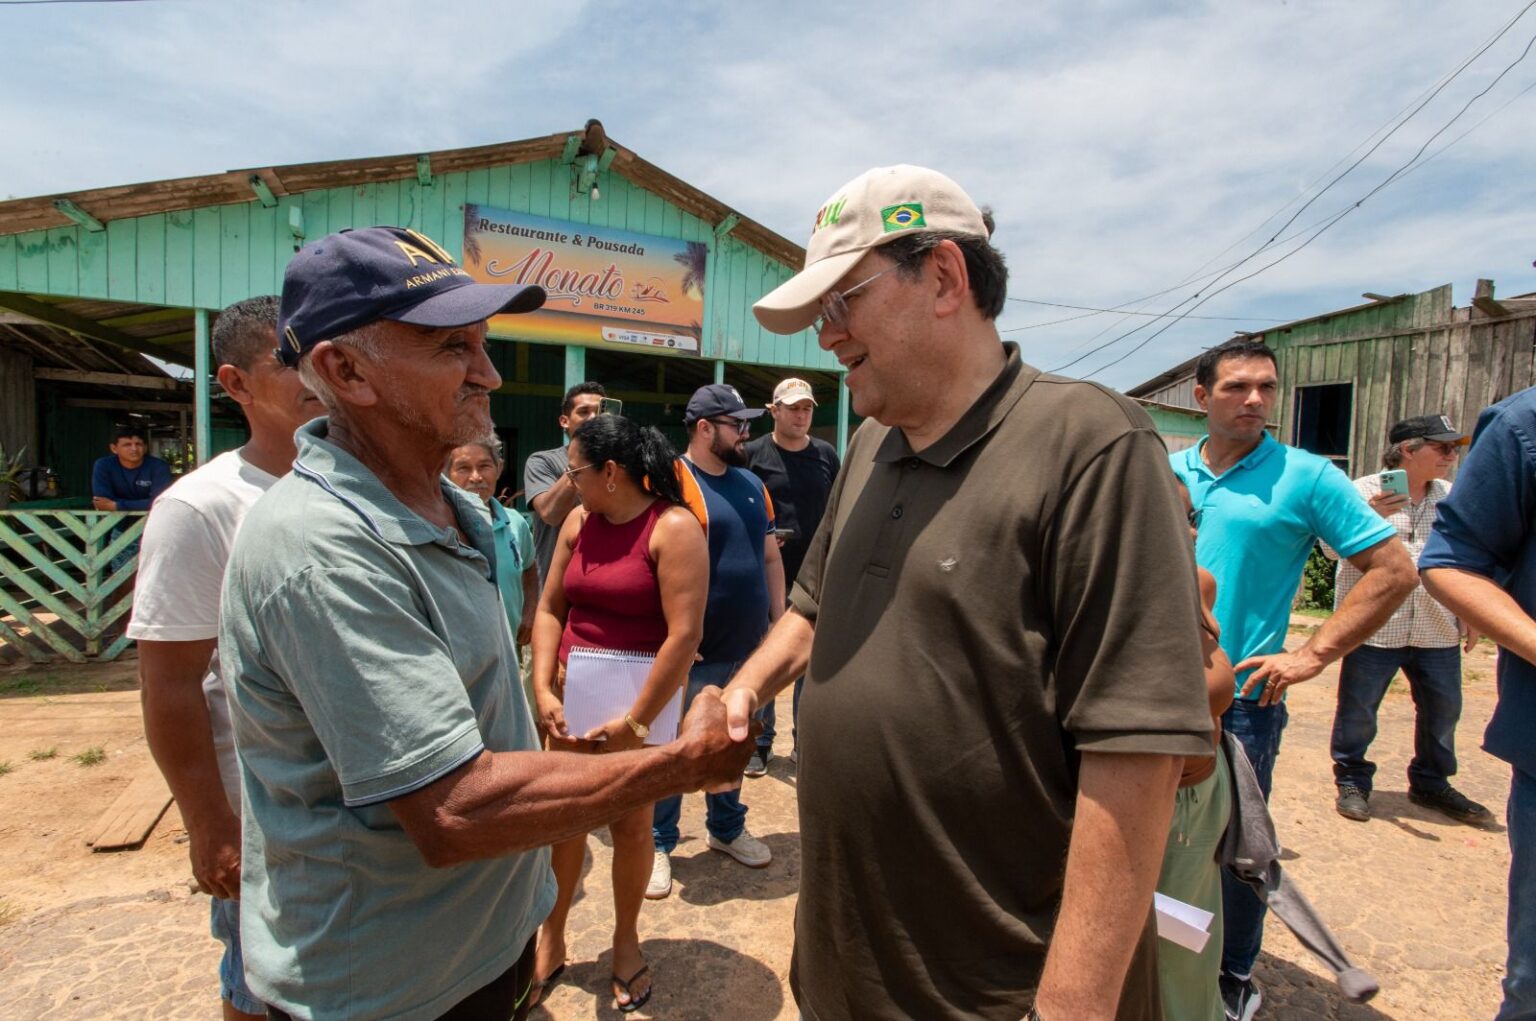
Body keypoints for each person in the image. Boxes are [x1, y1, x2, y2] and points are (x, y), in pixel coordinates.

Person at [220, 226, 753, 1021]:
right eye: (452, 349)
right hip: (388, 985)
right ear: (345, 370)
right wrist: (682, 761)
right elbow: (454, 808)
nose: (491, 373)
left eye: (483, 343)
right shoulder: (324, 547)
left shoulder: (452, 512)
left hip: (477, 948)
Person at [726, 164, 1215, 1020]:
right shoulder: (873, 444)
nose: (824, 336)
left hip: (994, 987)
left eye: (842, 302)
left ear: (946, 278)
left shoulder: (1092, 446)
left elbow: (1136, 752)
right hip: (851, 964)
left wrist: (1069, 1008)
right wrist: (743, 688)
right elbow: (810, 608)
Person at [1169, 338, 1417, 1019]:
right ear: (1201, 396)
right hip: (1157, 695)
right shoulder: (1167, 471)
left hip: (1243, 702)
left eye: (1267, 388)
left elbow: (1395, 571)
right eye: (1237, 387)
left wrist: (1311, 654)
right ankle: (1171, 966)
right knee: (1165, 846)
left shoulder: (1305, 477)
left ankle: (1232, 976)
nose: (1255, 400)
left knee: (1239, 852)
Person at [128, 295, 324, 1021]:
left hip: (349, 812)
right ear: (236, 383)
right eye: (287, 359)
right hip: (262, 814)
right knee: (259, 982)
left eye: (318, 353)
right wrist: (209, 826)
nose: (311, 373)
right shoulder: (202, 507)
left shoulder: (357, 490)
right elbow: (171, 683)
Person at [529, 413, 709, 1013]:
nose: (569, 482)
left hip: (642, 705)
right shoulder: (579, 522)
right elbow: (551, 606)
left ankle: (625, 942)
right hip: (573, 701)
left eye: (575, 470)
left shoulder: (673, 527)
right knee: (565, 822)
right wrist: (542, 688)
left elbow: (684, 637)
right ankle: (550, 937)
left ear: (611, 473)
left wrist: (635, 724)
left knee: (631, 826)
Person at [1420, 386, 1536, 1021]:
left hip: (1434, 638)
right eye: (1437, 448)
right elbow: (1453, 563)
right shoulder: (1525, 427)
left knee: (1440, 723)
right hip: (1395, 638)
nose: (1444, 457)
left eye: (1447, 449)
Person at [647, 382, 784, 899]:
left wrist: (776, 624)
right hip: (694, 650)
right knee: (678, 747)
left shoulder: (751, 482)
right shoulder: (671, 481)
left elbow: (770, 556)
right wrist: (675, 636)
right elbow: (653, 561)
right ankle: (660, 842)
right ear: (705, 428)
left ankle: (726, 829)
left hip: (747, 646)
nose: (747, 433)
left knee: (733, 742)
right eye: (737, 425)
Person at [1325, 414, 1489, 825]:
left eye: (1454, 448)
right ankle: (1353, 781)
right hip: (1376, 625)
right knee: (1358, 710)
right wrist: (1368, 516)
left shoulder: (1451, 495)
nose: (1452, 455)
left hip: (1435, 625)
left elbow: (1466, 556)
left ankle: (1431, 783)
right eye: (1442, 447)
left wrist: (1472, 612)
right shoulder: (1361, 491)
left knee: (1443, 710)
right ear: (1408, 450)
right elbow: (1329, 549)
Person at [1158, 477, 1237, 1021]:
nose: (1185, 531)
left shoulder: (1193, 582)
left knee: (1176, 944)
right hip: (1146, 783)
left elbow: (1215, 690)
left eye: (1190, 519)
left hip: (1184, 791)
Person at [742, 376, 840, 774]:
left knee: (808, 662)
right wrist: (758, 538)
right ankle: (759, 742)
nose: (801, 415)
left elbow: (840, 503)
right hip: (768, 573)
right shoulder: (752, 454)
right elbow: (741, 502)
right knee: (768, 653)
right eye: (794, 408)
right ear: (774, 411)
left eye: (807, 409)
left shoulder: (826, 455)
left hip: (815, 575)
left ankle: (804, 742)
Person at [446, 436, 538, 654]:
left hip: (507, 650)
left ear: (499, 468)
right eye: (463, 468)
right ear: (446, 474)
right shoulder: (441, 527)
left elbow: (530, 568)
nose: (476, 477)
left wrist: (530, 609)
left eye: (484, 466)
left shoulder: (515, 522)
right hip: (458, 654)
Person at [524, 381, 607, 585]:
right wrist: (581, 460)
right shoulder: (542, 461)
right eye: (584, 411)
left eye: (599, 412)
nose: (593, 418)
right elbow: (550, 513)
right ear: (564, 421)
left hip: (603, 586)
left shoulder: (619, 464)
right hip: (556, 590)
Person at [91, 424, 173, 571]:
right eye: (127, 444)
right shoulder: (104, 465)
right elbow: (102, 502)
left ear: (145, 447)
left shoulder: (158, 466)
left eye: (138, 444)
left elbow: (159, 502)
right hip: (121, 528)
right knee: (120, 576)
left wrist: (117, 506)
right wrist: (142, 504)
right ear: (114, 448)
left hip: (155, 529)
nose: (134, 448)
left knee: (158, 573)